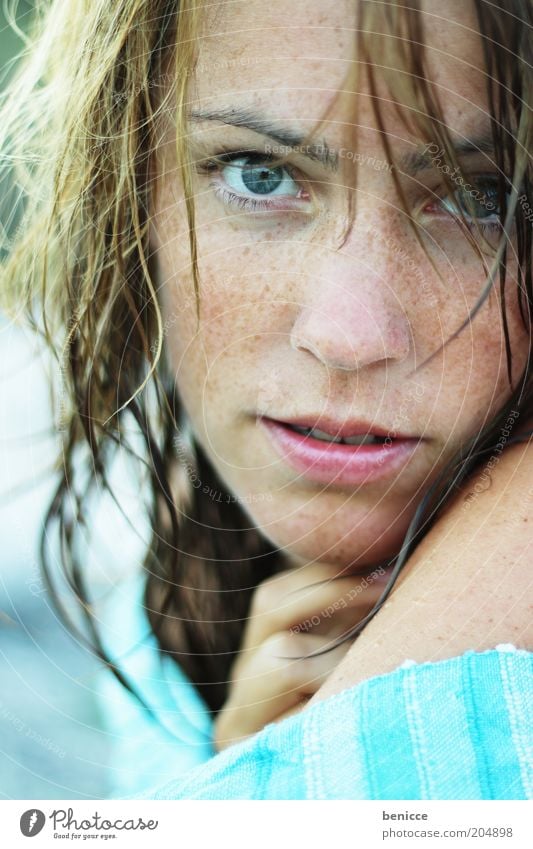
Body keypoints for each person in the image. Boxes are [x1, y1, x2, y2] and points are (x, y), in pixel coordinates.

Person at [1, 0, 531, 799]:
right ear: (129, 191)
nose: (347, 334)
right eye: (261, 175)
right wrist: (256, 768)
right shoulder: (168, 591)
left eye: (479, 197)